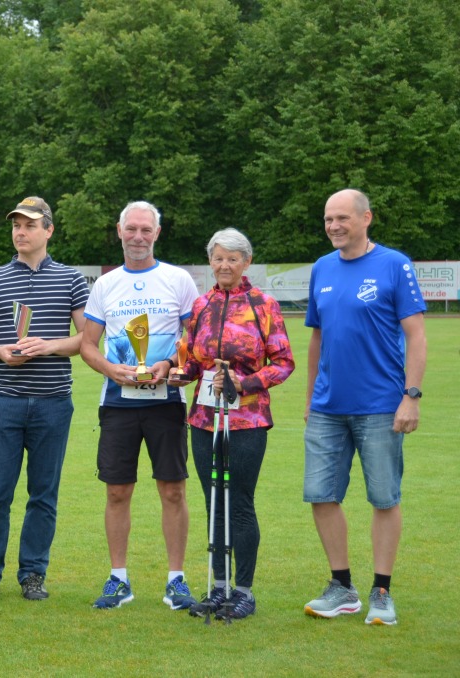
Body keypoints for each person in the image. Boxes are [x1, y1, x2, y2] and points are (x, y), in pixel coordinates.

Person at [302, 189, 426, 626]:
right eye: (327, 219)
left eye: (342, 218)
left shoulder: (394, 264)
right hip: (327, 407)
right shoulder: (322, 267)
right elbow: (317, 337)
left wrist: (411, 395)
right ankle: (342, 587)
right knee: (321, 495)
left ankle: (382, 591)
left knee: (384, 498)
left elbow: (416, 334)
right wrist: (310, 398)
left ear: (366, 218)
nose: (333, 226)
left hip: (380, 406)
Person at [0, 196, 89, 602]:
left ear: (48, 230)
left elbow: (86, 339)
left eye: (30, 225)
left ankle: (33, 573)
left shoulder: (71, 280)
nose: (21, 232)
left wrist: (48, 346)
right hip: (4, 399)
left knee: (43, 495)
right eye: (16, 225)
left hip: (53, 401)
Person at [168, 228, 295, 620]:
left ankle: (243, 592)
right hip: (203, 418)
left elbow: (284, 362)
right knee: (213, 502)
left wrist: (246, 383)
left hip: (247, 419)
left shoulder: (263, 305)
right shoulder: (202, 304)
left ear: (246, 262)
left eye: (233, 258)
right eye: (218, 258)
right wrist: (180, 374)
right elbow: (192, 359)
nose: (224, 265)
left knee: (239, 502)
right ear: (211, 261)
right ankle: (218, 587)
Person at [79, 200, 198, 611]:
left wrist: (171, 364)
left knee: (173, 490)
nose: (138, 236)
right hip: (118, 404)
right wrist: (112, 370)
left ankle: (176, 580)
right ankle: (119, 579)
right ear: (119, 231)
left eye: (146, 229)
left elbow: (195, 339)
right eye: (131, 229)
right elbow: (87, 345)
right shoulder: (105, 285)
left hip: (167, 402)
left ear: (157, 233)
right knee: (117, 492)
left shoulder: (178, 280)